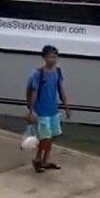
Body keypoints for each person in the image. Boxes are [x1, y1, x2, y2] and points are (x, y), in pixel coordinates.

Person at [26, 45, 71, 173]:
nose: (53, 59)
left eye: (55, 56)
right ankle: (38, 159)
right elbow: (34, 92)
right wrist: (31, 111)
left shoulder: (57, 71)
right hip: (42, 110)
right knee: (44, 137)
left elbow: (60, 89)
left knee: (51, 136)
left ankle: (45, 160)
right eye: (51, 56)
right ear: (44, 57)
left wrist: (66, 106)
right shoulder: (38, 74)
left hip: (53, 110)